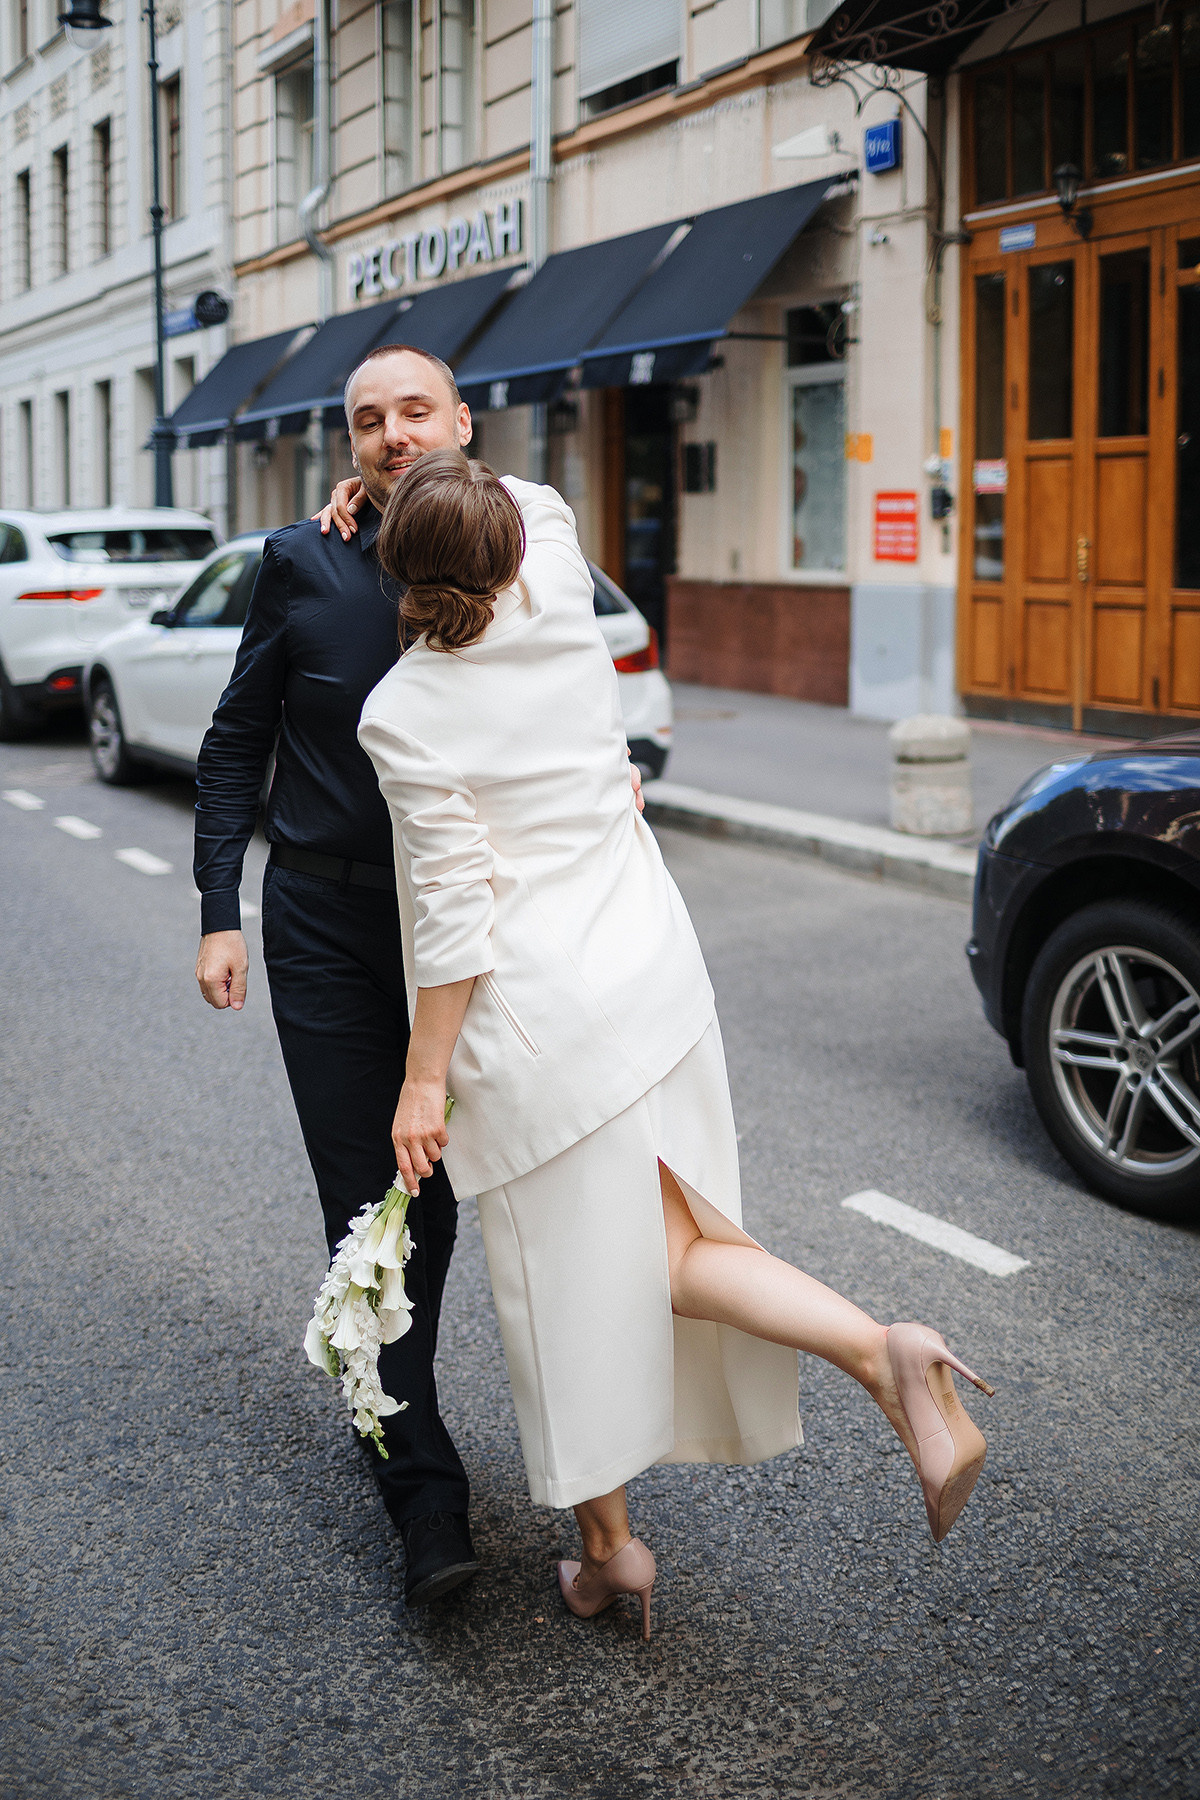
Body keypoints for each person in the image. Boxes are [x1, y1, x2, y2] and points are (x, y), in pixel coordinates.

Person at [354, 447, 995, 1643]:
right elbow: (532, 496)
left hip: (539, 1024)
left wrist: (423, 1078)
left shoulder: (402, 712)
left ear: (393, 565)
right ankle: (883, 1349)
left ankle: (611, 1548)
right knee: (669, 1247)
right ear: (505, 540)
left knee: (562, 1290)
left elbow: (452, 918)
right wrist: (436, 480)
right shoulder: (550, 586)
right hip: (650, 975)